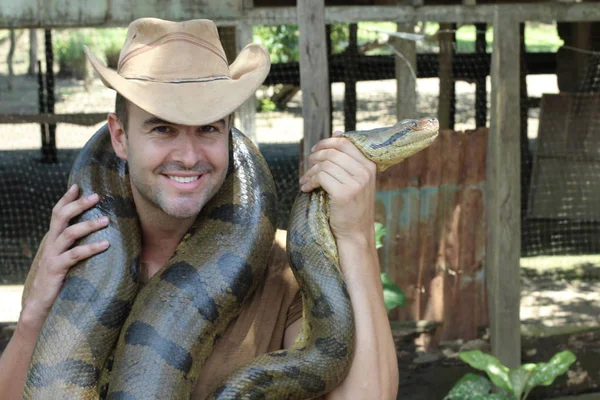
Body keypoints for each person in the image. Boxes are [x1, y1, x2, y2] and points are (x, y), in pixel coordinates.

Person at [0, 18, 398, 399]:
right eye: (162, 128)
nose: (189, 156)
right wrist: (34, 315)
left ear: (229, 131)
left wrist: (357, 240)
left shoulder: (282, 270)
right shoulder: (73, 254)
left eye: (208, 128)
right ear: (119, 136)